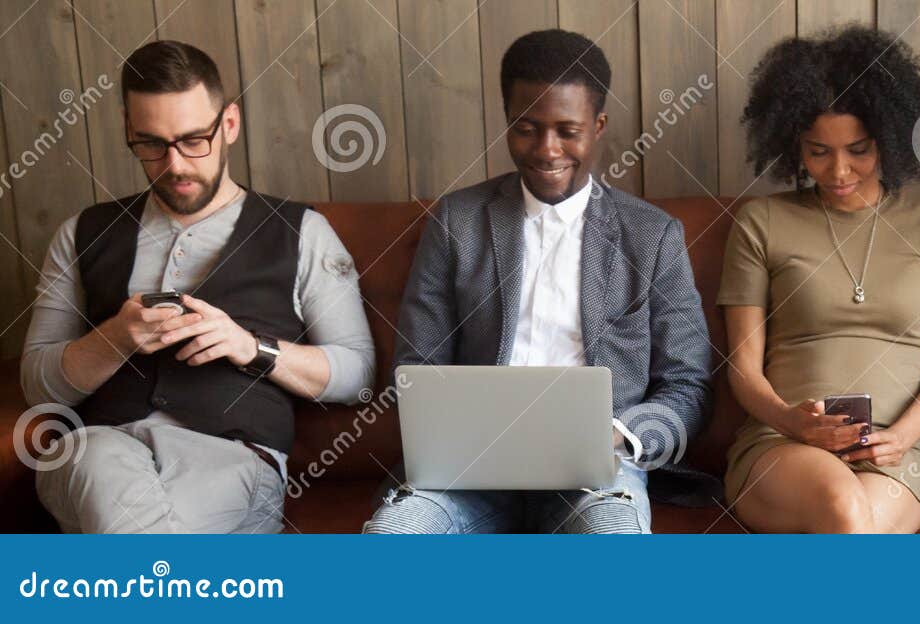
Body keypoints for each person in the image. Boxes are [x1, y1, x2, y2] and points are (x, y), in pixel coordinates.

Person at [362, 29, 713, 534]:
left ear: (598, 126)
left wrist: (615, 436)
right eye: (526, 128)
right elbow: (419, 363)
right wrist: (450, 434)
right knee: (392, 539)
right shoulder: (457, 222)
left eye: (567, 130)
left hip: (597, 471)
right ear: (506, 123)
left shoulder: (651, 235)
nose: (547, 150)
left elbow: (688, 383)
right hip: (468, 471)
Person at [22, 41, 376, 533]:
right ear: (128, 128)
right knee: (104, 473)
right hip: (100, 448)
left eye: (194, 140)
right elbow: (37, 384)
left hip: (229, 456)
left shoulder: (302, 232)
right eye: (150, 144)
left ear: (229, 123)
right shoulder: (80, 232)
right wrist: (116, 337)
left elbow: (358, 373)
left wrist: (251, 348)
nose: (176, 165)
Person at [718, 26, 920, 533]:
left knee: (853, 525)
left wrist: (903, 436)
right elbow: (742, 367)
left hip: (897, 450)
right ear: (793, 143)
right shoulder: (760, 222)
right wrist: (790, 420)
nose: (839, 171)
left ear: (889, 136)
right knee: (844, 512)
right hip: (783, 445)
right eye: (818, 151)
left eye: (859, 149)